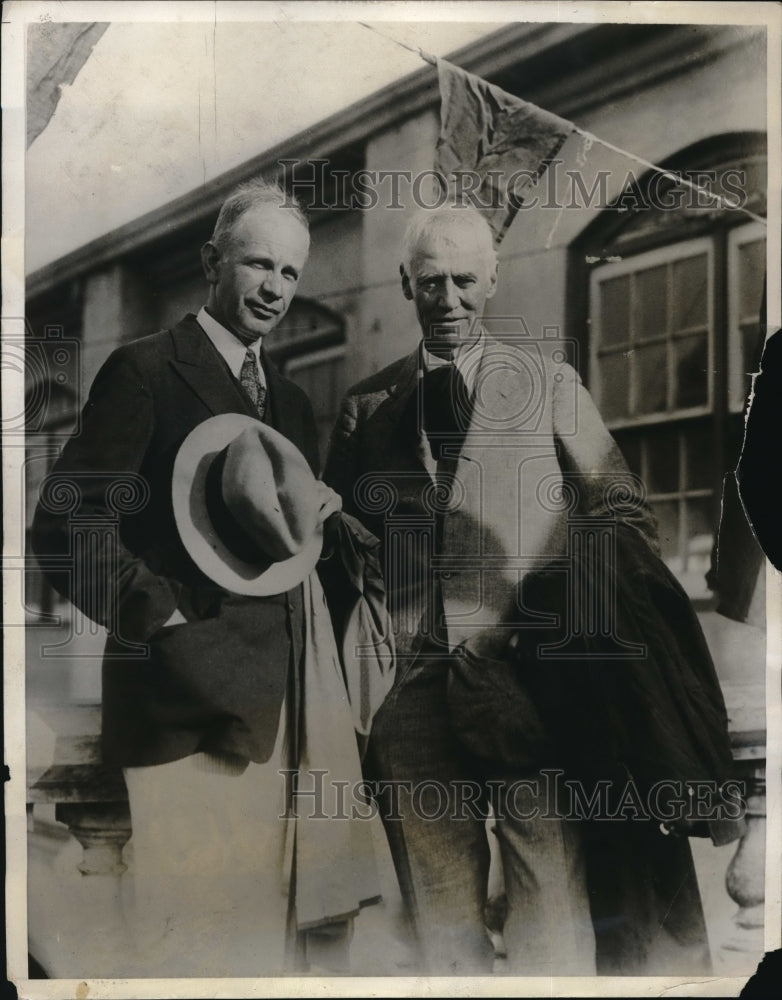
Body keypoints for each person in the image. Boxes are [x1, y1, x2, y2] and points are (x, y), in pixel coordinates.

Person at [31, 177, 379, 976]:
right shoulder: (146, 371)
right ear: (209, 262)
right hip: (183, 714)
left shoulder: (289, 401)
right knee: (190, 955)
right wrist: (161, 615)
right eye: (257, 265)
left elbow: (285, 549)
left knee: (267, 954)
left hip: (281, 713)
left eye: (290, 274)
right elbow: (66, 523)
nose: (273, 289)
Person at [323, 205, 665, 975]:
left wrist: (548, 628)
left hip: (527, 687)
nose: (448, 299)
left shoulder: (547, 384)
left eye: (465, 280)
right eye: (431, 282)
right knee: (442, 922)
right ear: (407, 284)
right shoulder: (367, 408)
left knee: (550, 900)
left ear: (494, 279)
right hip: (409, 699)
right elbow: (327, 546)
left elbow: (625, 517)